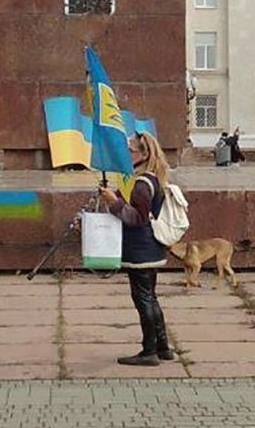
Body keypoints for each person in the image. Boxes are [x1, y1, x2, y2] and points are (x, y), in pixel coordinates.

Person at [97, 132, 175, 367]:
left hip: (141, 250)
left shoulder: (142, 184)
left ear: (144, 154)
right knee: (150, 297)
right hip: (150, 249)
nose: (126, 154)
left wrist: (114, 202)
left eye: (130, 150)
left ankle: (149, 351)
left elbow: (137, 218)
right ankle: (163, 348)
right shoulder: (151, 179)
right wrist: (113, 197)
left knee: (143, 299)